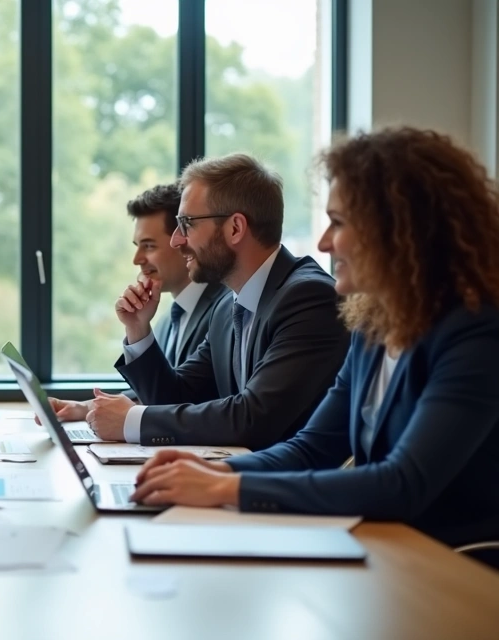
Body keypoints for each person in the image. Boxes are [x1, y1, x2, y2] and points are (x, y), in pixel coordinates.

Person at [131, 127, 499, 554]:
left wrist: (227, 488)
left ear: (401, 230)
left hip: (457, 567)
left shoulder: (475, 333)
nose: (324, 242)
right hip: (389, 549)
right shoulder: (373, 327)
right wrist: (215, 471)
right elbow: (312, 448)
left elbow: (402, 483)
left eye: (338, 223)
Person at [50, 153, 349, 449]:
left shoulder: (309, 297)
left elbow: (254, 418)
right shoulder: (225, 308)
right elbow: (177, 397)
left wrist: (133, 421)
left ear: (235, 228)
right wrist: (139, 330)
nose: (176, 240)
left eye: (187, 224)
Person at [125, 182, 231, 368]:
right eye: (137, 246)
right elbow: (158, 392)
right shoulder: (165, 322)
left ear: (182, 240)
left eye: (149, 245)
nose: (137, 259)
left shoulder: (227, 309)